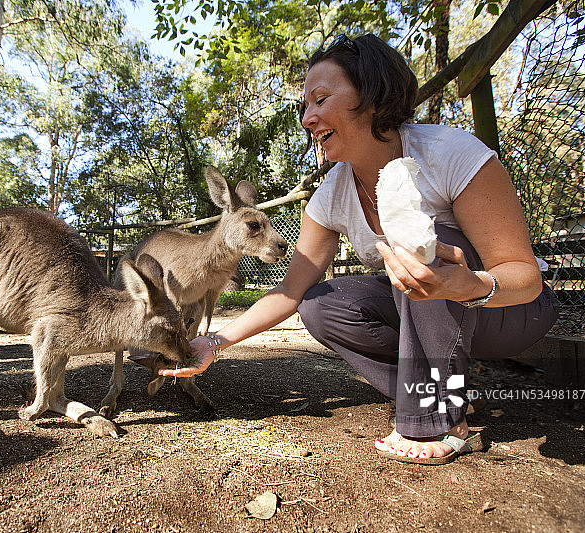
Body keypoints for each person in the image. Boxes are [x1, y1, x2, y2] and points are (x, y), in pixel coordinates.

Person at [159, 34, 558, 464]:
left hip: (509, 310)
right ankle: (439, 391)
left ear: (371, 96)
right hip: (425, 317)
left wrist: (468, 285)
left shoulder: (449, 153)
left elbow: (525, 277)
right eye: (304, 106)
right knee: (320, 305)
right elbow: (290, 291)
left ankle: (436, 417)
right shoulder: (331, 195)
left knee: (426, 250)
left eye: (321, 99)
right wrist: (214, 343)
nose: (308, 117)